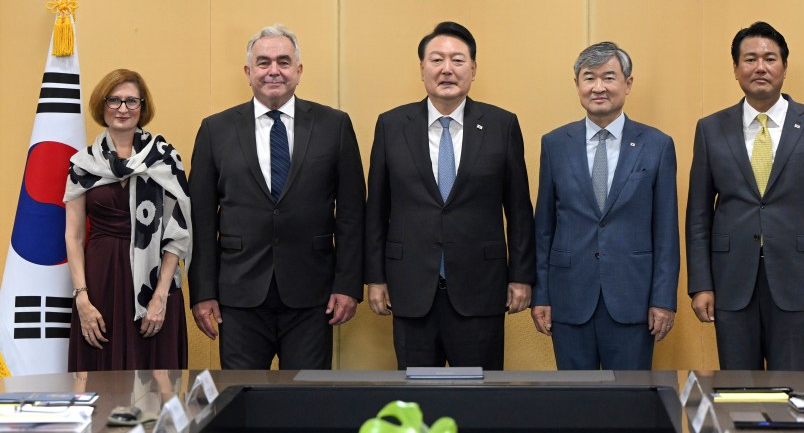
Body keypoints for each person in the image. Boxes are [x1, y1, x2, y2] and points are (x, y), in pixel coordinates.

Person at [188, 23, 365, 370]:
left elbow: (351, 213)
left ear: (298, 71)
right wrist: (203, 292)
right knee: (241, 399)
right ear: (248, 71)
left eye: (284, 62)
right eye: (264, 62)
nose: (274, 71)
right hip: (238, 296)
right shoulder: (215, 129)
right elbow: (202, 220)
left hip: (313, 295)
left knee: (307, 406)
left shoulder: (334, 125)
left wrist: (348, 285)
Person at [365, 21, 536, 370]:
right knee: (416, 401)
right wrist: (376, 278)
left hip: (481, 288)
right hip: (410, 287)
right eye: (437, 60)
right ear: (422, 69)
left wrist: (521, 277)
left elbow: (519, 209)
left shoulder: (501, 125)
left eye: (457, 60)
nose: (447, 69)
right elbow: (376, 210)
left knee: (480, 403)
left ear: (473, 69)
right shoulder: (391, 125)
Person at [686, 21, 804, 370]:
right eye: (750, 59)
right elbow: (698, 215)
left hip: (798, 283)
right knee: (736, 389)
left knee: (790, 389)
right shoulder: (711, 129)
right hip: (730, 284)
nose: (760, 67)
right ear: (735, 69)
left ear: (784, 67)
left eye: (770, 58)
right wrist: (700, 284)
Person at [530, 42, 679, 370]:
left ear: (627, 84)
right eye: (589, 78)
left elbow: (666, 231)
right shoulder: (554, 144)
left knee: (629, 406)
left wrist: (663, 299)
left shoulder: (657, 145)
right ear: (577, 85)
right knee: (574, 407)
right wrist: (541, 295)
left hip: (634, 300)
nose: (598, 87)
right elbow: (543, 228)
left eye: (609, 77)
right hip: (569, 299)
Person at [64, 69, 192, 371]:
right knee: (100, 373)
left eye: (132, 101)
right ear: (102, 105)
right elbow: (74, 236)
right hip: (100, 282)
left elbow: (178, 234)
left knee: (156, 378)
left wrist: (160, 296)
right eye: (115, 100)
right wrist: (82, 299)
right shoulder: (83, 164)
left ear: (143, 107)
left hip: (155, 283)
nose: (123, 109)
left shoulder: (165, 159)